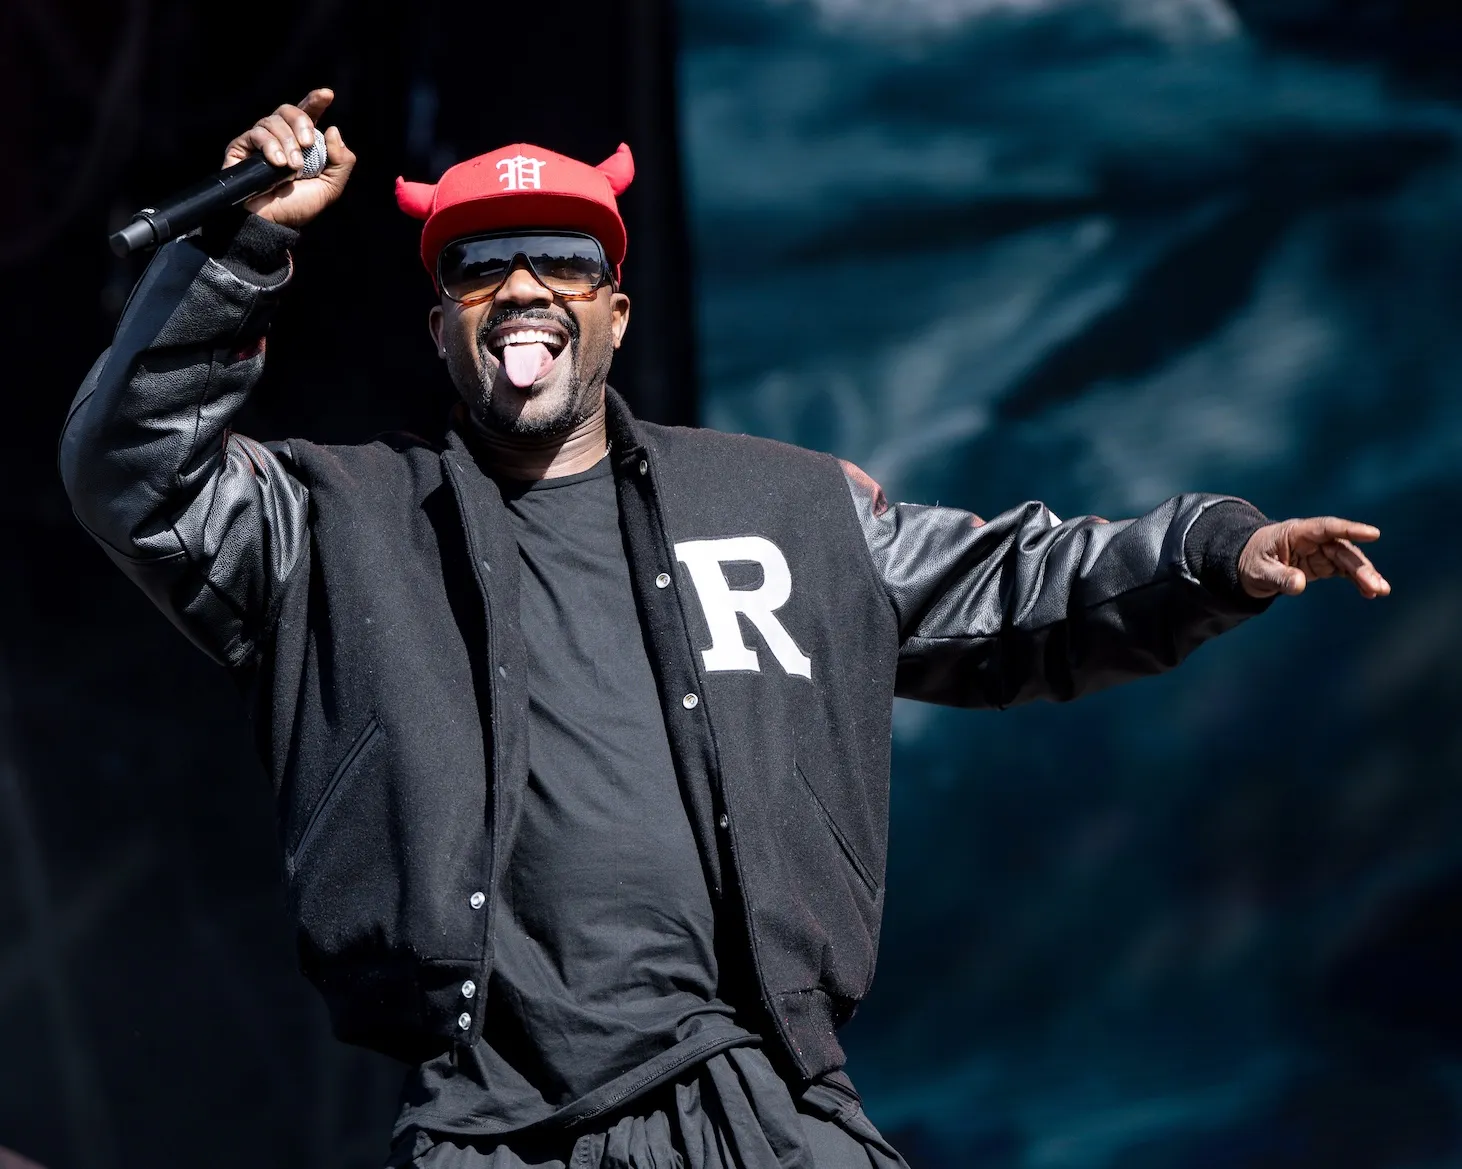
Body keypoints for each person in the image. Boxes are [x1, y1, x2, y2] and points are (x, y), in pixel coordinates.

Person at [59, 89, 1391, 1168]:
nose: (523, 284)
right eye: (482, 268)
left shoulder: (782, 506)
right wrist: (234, 252)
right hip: (491, 1127)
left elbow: (1010, 588)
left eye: (564, 260)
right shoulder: (332, 523)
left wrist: (1214, 551)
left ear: (613, 314)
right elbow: (135, 475)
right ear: (444, 328)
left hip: (761, 1105)